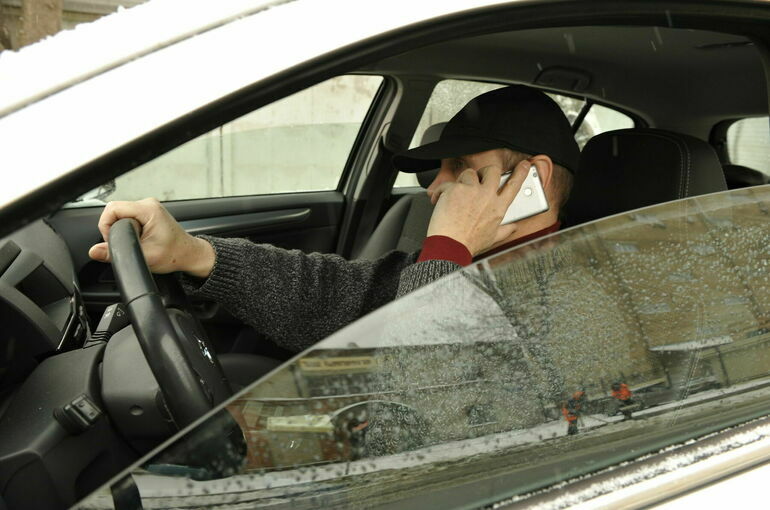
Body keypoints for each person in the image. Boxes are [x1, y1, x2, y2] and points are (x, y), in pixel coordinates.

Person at [88, 85, 580, 354]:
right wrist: (193, 253)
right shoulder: (472, 263)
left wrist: (448, 250)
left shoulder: (573, 298)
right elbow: (333, 295)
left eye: (458, 167)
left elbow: (415, 413)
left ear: (531, 178)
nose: (433, 189)